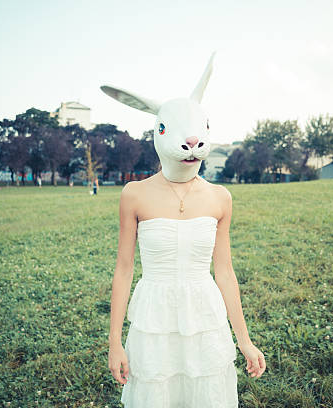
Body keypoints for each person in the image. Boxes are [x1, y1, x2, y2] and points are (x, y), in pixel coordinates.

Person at [104, 52, 265, 407]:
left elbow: (223, 271)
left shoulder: (220, 198)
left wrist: (245, 340)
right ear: (158, 133)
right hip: (154, 322)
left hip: (204, 318)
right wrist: (115, 341)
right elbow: (124, 268)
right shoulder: (134, 195)